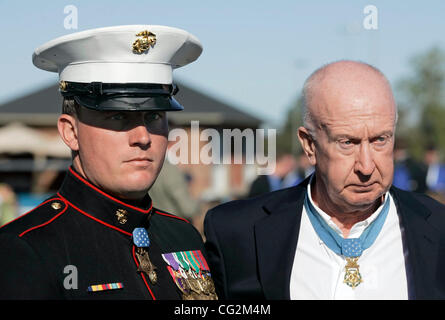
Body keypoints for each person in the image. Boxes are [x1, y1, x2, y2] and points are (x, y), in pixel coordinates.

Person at [0, 25, 217, 300]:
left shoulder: (182, 237)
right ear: (71, 132)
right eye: (117, 117)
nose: (142, 137)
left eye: (153, 118)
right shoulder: (26, 248)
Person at [204, 60, 445, 300]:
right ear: (309, 145)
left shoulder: (438, 228)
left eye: (380, 140)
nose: (367, 166)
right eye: (347, 143)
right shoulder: (237, 233)